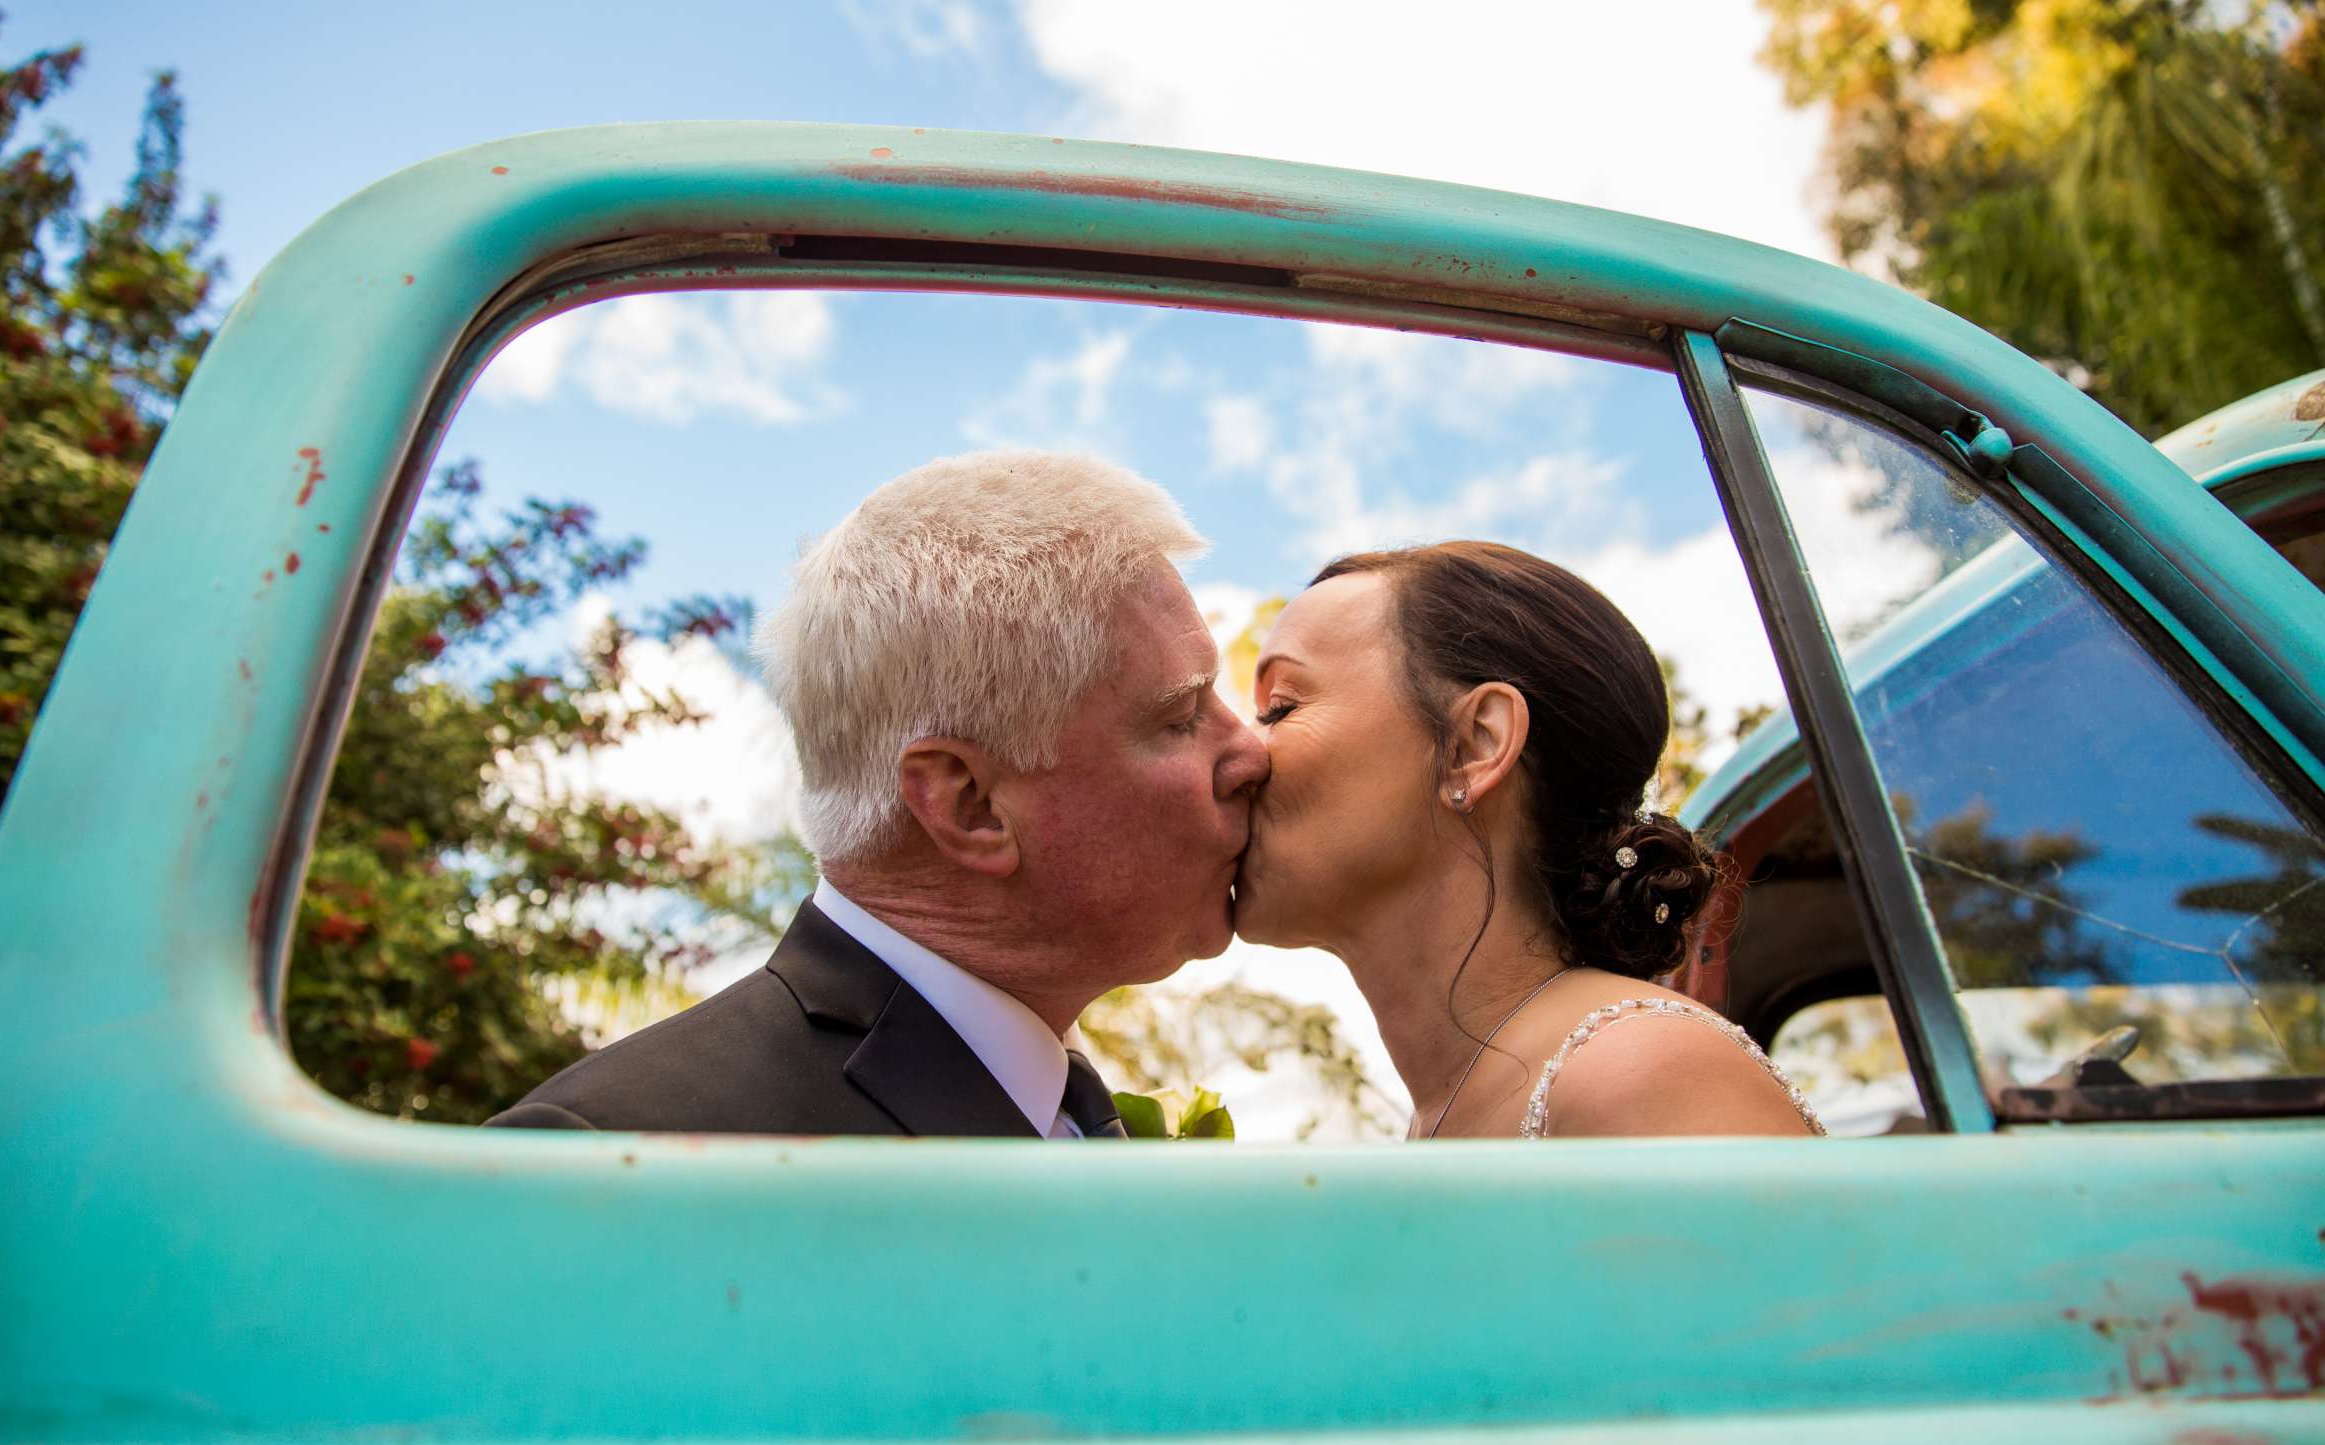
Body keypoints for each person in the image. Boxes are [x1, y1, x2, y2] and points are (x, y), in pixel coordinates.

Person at [488, 451, 1268, 1136]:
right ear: (970, 805)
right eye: (1182, 715)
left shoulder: (1061, 1108)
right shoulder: (615, 1158)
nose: (1249, 753)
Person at [1232, 540, 1823, 1141]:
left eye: (1280, 708)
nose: (1241, 754)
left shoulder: (1643, 1076)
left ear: (1474, 746)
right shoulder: (1445, 1110)